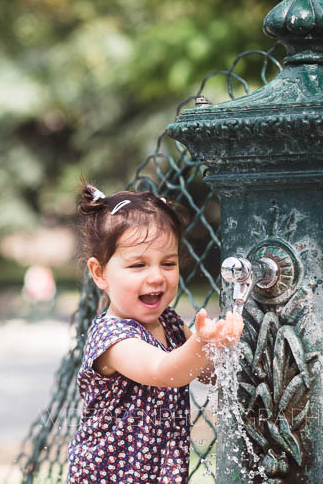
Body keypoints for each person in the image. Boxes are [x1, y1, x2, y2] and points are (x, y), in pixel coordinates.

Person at [65, 184, 244, 484]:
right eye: (138, 265)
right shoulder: (112, 339)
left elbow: (206, 372)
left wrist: (219, 344)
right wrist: (200, 342)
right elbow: (165, 371)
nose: (157, 276)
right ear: (100, 274)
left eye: (168, 263)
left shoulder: (171, 323)